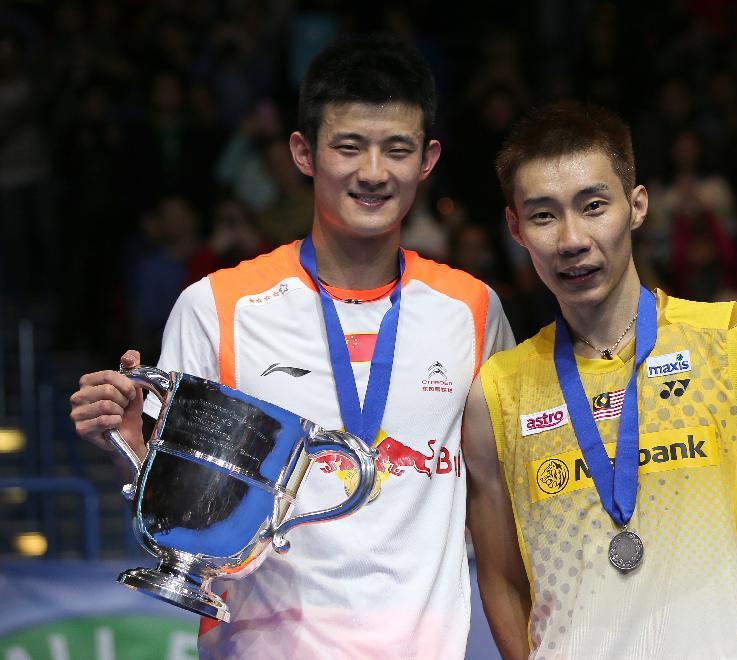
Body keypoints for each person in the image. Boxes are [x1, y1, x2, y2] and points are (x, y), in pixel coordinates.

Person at [69, 35, 513, 659]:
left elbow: (497, 499)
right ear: (304, 152)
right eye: (349, 147)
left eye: (397, 149)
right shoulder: (218, 307)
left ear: (428, 159)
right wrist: (130, 444)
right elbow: (176, 505)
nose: (373, 173)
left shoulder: (472, 312)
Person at [463, 101, 737, 659]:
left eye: (594, 206)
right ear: (515, 229)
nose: (572, 238)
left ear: (636, 206)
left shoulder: (735, 344)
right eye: (543, 215)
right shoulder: (495, 394)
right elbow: (501, 581)